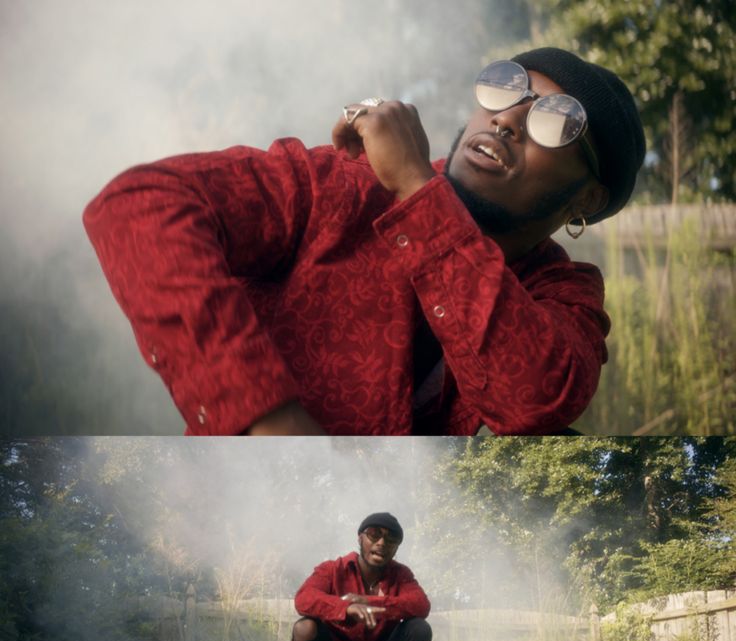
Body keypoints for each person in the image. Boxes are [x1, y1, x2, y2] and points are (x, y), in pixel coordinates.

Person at [83, 49, 645, 437]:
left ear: (588, 200)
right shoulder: (344, 185)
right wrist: (266, 414)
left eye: (556, 120)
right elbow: (136, 206)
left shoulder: (563, 294)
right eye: (507, 89)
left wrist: (418, 190)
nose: (508, 120)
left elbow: (535, 397)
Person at [292, 511, 432, 641]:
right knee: (304, 627)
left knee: (420, 629)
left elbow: (421, 605)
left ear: (396, 548)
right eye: (374, 534)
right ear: (360, 538)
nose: (381, 543)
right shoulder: (332, 569)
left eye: (391, 539)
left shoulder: (401, 574)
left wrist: (369, 602)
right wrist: (346, 608)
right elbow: (304, 598)